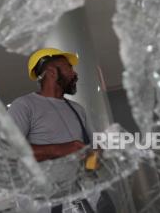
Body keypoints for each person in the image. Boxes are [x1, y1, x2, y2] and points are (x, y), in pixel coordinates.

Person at [8, 48, 115, 213]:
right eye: (68, 68)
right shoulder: (23, 106)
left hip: (90, 194)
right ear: (51, 72)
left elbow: (92, 148)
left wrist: (96, 156)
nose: (74, 74)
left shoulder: (77, 109)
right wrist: (58, 149)